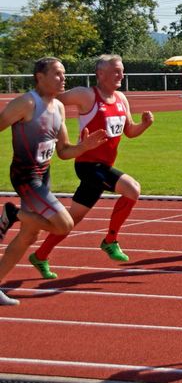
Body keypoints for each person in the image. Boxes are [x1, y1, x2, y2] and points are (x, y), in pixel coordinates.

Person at [28, 54, 154, 280]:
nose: (121, 75)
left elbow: (130, 131)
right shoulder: (85, 95)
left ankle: (40, 255)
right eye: (116, 71)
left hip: (103, 166)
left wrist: (144, 125)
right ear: (100, 74)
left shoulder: (121, 99)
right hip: (87, 164)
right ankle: (110, 240)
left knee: (71, 220)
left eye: (122, 70)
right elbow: (51, 98)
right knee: (132, 189)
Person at [0, 57, 107, 303]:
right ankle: (12, 214)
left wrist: (83, 147)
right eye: (58, 74)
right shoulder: (26, 103)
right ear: (40, 76)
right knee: (63, 225)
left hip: (43, 175)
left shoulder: (58, 107)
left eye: (64, 73)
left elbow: (64, 151)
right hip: (25, 176)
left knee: (29, 236)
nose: (64, 78)